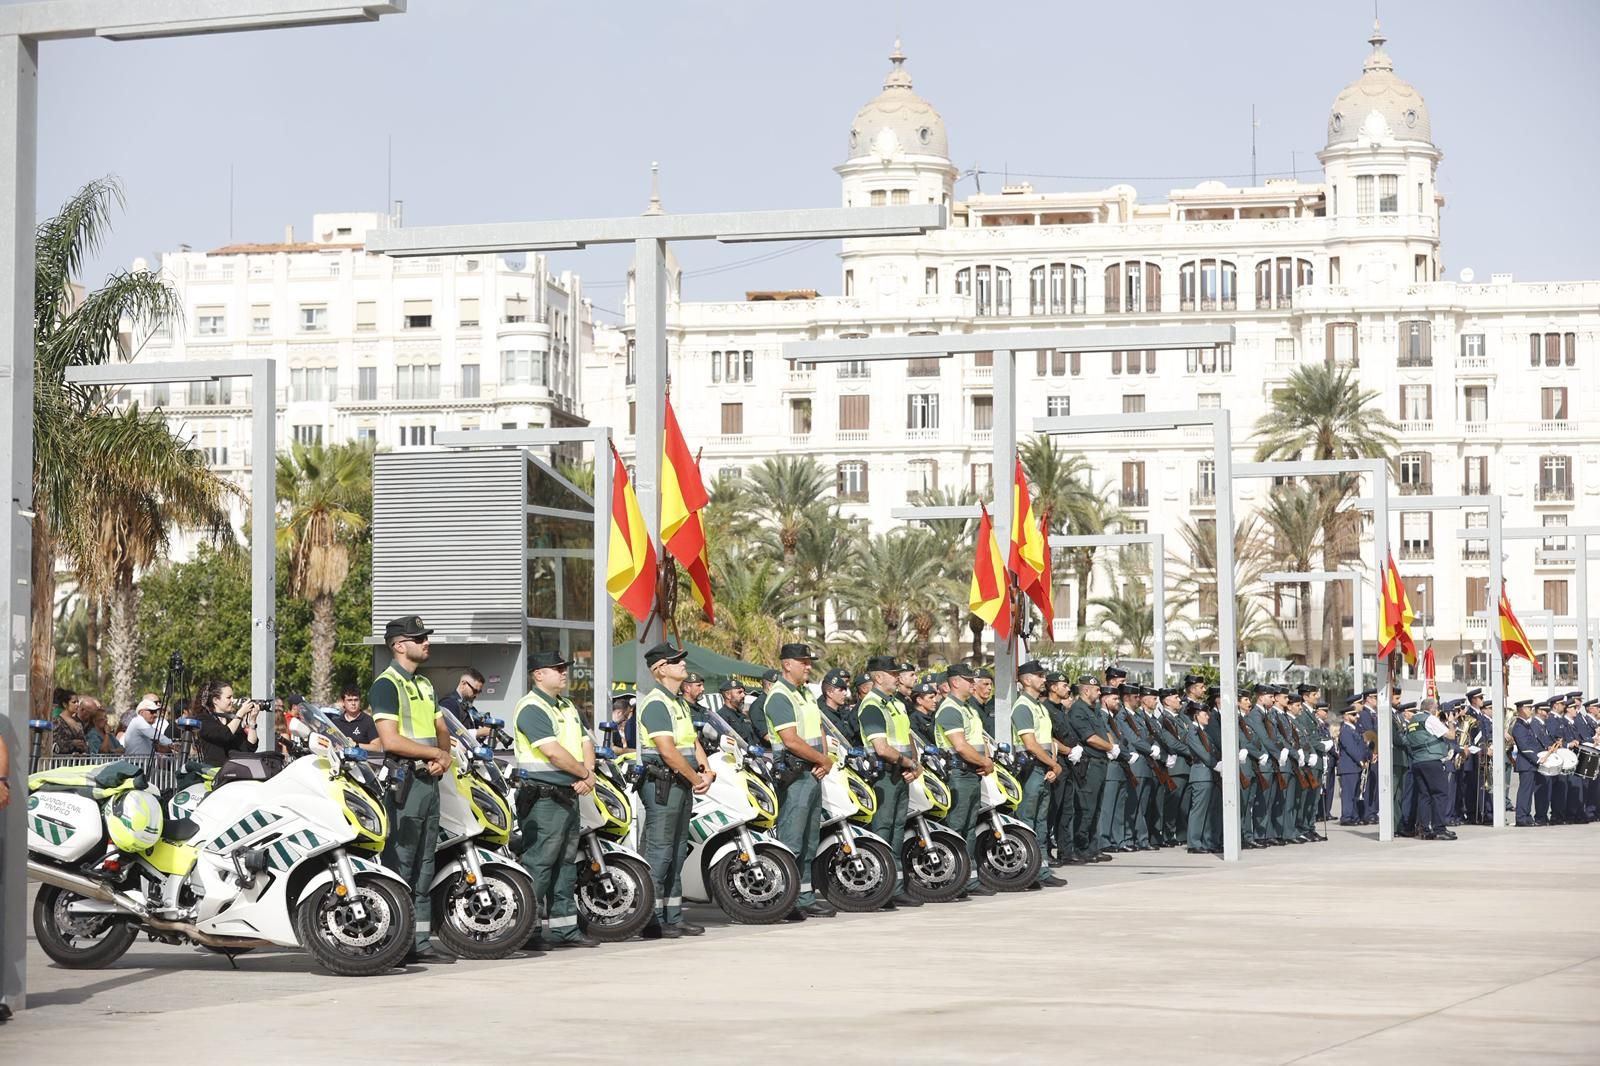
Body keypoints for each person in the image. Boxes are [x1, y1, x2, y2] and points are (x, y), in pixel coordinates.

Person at [369, 614, 454, 965]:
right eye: (419, 639)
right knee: (401, 862)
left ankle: (419, 941)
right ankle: (396, 941)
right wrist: (435, 752)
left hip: (428, 780)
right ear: (399, 646)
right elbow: (390, 739)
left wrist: (443, 754)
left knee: (424, 861)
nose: (426, 643)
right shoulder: (386, 685)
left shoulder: (425, 684)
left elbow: (440, 726)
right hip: (404, 781)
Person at [512, 650, 598, 948]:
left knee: (565, 864)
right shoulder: (532, 707)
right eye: (557, 668)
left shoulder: (568, 706)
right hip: (544, 798)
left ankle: (565, 929)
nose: (564, 672)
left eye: (564, 668)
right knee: (540, 864)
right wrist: (584, 775)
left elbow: (587, 741)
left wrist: (588, 772)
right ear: (538, 674)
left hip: (567, 795)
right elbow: (552, 752)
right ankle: (528, 931)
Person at [636, 641, 714, 938]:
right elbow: (668, 752)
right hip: (664, 785)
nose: (683, 664)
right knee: (659, 854)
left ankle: (673, 915)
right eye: (676, 660)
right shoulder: (656, 703)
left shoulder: (678, 702)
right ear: (660, 669)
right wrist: (698, 779)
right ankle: (650, 919)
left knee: (678, 852)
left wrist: (707, 770)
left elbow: (692, 742)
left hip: (680, 784)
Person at [763, 643, 837, 919]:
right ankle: (786, 899)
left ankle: (804, 897)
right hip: (796, 774)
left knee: (808, 840)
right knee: (792, 841)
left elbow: (818, 729)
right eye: (803, 662)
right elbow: (790, 740)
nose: (808, 666)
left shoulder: (805, 693)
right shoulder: (780, 696)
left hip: (813, 771)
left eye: (809, 662)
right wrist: (822, 760)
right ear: (786, 665)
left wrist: (823, 759)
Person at [855, 655, 923, 909]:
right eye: (892, 674)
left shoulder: (897, 704)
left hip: (900, 774)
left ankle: (893, 887)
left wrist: (914, 765)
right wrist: (910, 764)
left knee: (896, 831)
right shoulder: (872, 705)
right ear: (878, 677)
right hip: (883, 775)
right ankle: (878, 888)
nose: (897, 678)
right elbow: (881, 748)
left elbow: (908, 739)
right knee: (882, 832)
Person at [934, 663, 996, 898]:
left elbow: (979, 739)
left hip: (972, 773)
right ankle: (951, 880)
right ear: (955, 682)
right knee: (956, 829)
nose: (973, 683)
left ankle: (966, 880)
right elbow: (960, 745)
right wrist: (984, 762)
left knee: (969, 829)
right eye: (968, 679)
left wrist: (985, 761)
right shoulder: (950, 708)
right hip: (958, 774)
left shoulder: (968, 708)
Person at [1008, 660, 1067, 889]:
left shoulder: (1039, 706)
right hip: (1031, 769)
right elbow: (1031, 744)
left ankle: (1041, 870)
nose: (1044, 680)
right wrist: (1054, 765)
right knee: (1027, 822)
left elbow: (1047, 739)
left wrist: (1052, 766)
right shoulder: (1023, 706)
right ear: (1026, 680)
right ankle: (1025, 872)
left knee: (1041, 823)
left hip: (1044, 769)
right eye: (1039, 676)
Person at [1068, 675, 1113, 864]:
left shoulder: (1093, 709)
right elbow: (1090, 738)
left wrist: (1112, 745)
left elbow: (1104, 732)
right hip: (1089, 765)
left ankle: (1093, 847)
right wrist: (1111, 748)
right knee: (1086, 808)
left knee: (1096, 809)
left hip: (1100, 763)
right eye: (1096, 690)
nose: (1100, 692)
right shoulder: (1078, 710)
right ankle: (1081, 847)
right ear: (1086, 691)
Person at [1177, 699, 1221, 854]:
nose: (1208, 716)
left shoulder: (1204, 732)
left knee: (1211, 810)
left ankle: (1208, 841)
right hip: (1201, 773)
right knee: (1199, 810)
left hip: (1210, 774)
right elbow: (1201, 752)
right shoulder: (1192, 732)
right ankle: (1194, 842)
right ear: (1196, 715)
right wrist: (1215, 764)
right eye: (1204, 714)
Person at [1409, 697, 1457, 840]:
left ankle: (1425, 829)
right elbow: (1451, 735)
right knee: (1440, 794)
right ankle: (1439, 828)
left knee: (1424, 796)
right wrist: (1450, 721)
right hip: (1431, 760)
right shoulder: (1429, 719)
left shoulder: (1413, 721)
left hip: (1417, 761)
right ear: (1433, 709)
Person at [194, 679, 258, 766]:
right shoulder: (203, 720)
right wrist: (240, 713)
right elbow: (224, 735)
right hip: (214, 772)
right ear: (215, 700)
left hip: (236, 770)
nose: (232, 700)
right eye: (229, 697)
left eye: (232, 697)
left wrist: (252, 722)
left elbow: (250, 747)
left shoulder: (232, 721)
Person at [1336, 701, 1371, 825]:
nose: (1357, 717)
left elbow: (1362, 746)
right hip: (1349, 767)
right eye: (1353, 715)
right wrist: (1361, 761)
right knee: (1348, 794)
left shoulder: (1354, 730)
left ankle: (1354, 816)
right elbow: (1351, 748)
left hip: (1355, 767)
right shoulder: (1345, 730)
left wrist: (1367, 757)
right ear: (1346, 716)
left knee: (1356, 794)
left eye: (1356, 714)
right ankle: (1346, 817)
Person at [1510, 698, 1543, 827]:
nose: (1531, 710)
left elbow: (1534, 743)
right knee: (1525, 791)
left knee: (1529, 792)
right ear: (1522, 709)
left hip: (1531, 764)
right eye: (1529, 708)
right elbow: (1524, 746)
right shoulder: (1518, 726)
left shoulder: (1526, 725)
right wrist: (1538, 758)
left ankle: (1527, 816)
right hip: (1526, 763)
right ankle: (1521, 817)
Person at [437, 667, 488, 741]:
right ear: (463, 684)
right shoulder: (448, 704)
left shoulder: (469, 707)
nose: (476, 695)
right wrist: (478, 732)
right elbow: (450, 733)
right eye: (475, 691)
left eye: (479, 692)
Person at [328, 685, 382, 754]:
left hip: (363, 762)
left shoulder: (368, 721)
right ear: (343, 702)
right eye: (349, 700)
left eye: (356, 700)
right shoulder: (335, 722)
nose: (353, 703)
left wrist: (355, 745)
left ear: (360, 701)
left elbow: (377, 747)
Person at [714, 678, 762, 749]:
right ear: (728, 695)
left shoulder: (743, 716)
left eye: (743, 692)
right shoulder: (721, 717)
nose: (743, 695)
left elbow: (753, 738)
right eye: (739, 692)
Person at [818, 668, 859, 745]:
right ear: (830, 693)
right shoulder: (824, 715)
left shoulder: (838, 712)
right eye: (841, 690)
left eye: (845, 690)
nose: (845, 693)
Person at [747, 668, 780, 749]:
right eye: (780, 685)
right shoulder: (758, 706)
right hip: (770, 752)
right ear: (769, 686)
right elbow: (767, 735)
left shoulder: (777, 703)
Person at [973, 668, 996, 737]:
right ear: (974, 685)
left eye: (991, 684)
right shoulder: (970, 707)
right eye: (985, 684)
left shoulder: (986, 707)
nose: (990, 688)